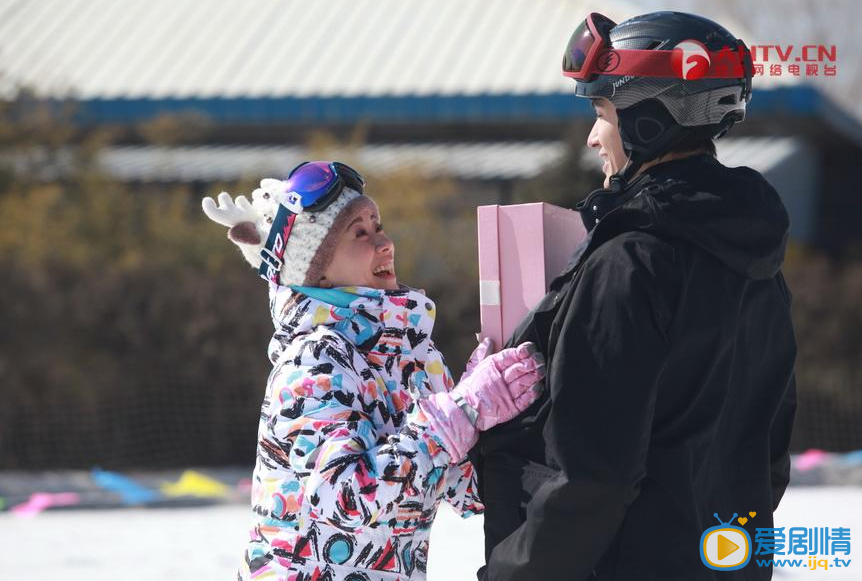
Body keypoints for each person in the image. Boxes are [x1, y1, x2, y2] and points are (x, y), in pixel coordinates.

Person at [475, 12, 797, 580]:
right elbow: (766, 453)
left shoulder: (629, 266)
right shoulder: (758, 265)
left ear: (649, 120)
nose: (593, 136)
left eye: (601, 114)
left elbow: (590, 478)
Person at [202, 161, 545, 581]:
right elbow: (344, 498)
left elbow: (466, 491)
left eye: (378, 226)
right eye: (359, 233)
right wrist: (459, 413)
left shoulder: (407, 357)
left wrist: (494, 419)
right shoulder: (314, 360)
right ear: (318, 269)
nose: (385, 243)